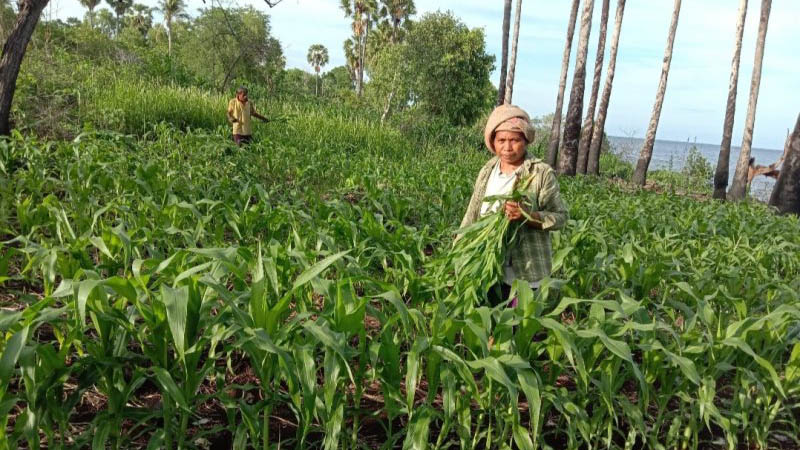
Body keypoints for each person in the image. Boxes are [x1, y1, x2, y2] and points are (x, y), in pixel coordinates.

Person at [459, 104, 568, 307]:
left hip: (526, 271)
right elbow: (473, 212)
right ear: (493, 142)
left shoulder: (541, 173)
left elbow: (560, 217)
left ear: (525, 141)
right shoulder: (488, 170)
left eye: (514, 140)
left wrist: (528, 216)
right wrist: (459, 245)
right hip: (488, 266)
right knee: (490, 324)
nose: (507, 147)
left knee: (522, 328)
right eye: (501, 140)